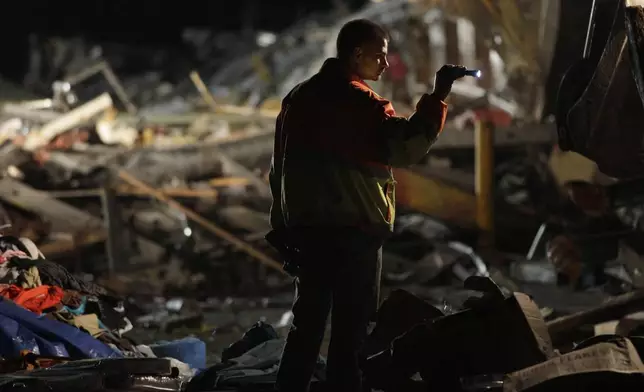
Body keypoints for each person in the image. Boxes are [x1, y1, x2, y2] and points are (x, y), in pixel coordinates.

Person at [266, 18, 467, 392]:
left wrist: (281, 228)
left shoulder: (297, 98)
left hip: (308, 232)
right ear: (357, 54)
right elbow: (406, 146)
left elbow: (278, 169)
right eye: (380, 56)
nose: (386, 65)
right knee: (351, 330)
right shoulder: (363, 103)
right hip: (354, 232)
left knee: (306, 326)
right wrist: (437, 97)